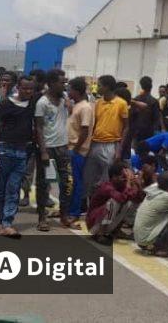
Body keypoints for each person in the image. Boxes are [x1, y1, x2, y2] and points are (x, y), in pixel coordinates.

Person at [0, 76, 41, 238]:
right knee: (0, 188)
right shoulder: (6, 104)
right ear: (18, 87)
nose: (28, 91)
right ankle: (0, 220)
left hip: (23, 152)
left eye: (31, 89)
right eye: (25, 88)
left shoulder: (33, 104)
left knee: (14, 188)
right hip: (5, 150)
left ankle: (7, 223)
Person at [34, 69, 73, 231]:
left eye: (65, 82)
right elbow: (38, 128)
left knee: (67, 181)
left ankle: (64, 215)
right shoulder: (42, 103)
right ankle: (42, 218)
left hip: (63, 147)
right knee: (44, 184)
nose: (64, 85)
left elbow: (70, 112)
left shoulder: (64, 100)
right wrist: (43, 151)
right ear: (51, 83)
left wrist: (67, 100)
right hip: (47, 148)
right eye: (61, 82)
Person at [84, 75, 129, 202]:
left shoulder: (121, 104)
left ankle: (103, 205)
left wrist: (119, 150)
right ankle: (90, 206)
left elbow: (126, 127)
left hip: (111, 144)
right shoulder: (98, 103)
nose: (97, 88)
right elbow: (96, 124)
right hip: (95, 143)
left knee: (105, 179)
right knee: (90, 178)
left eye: (99, 85)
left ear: (107, 87)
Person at [87, 162, 143, 245]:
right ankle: (100, 234)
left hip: (107, 223)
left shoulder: (122, 186)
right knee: (113, 202)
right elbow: (121, 198)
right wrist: (128, 183)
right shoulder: (106, 186)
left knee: (131, 202)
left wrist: (137, 184)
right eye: (123, 177)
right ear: (114, 177)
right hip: (94, 224)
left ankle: (116, 231)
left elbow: (138, 199)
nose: (125, 179)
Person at [65, 77, 92, 227]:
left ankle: (74, 212)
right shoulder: (76, 105)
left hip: (77, 150)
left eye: (70, 89)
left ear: (76, 90)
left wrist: (76, 149)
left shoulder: (85, 108)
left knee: (75, 182)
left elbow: (85, 130)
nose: (68, 92)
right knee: (69, 182)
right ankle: (67, 209)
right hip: (70, 148)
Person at [124, 76, 162, 151]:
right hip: (148, 132)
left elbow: (131, 117)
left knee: (135, 152)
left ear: (141, 86)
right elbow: (156, 119)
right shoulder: (154, 101)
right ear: (151, 86)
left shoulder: (135, 100)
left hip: (136, 132)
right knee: (146, 153)